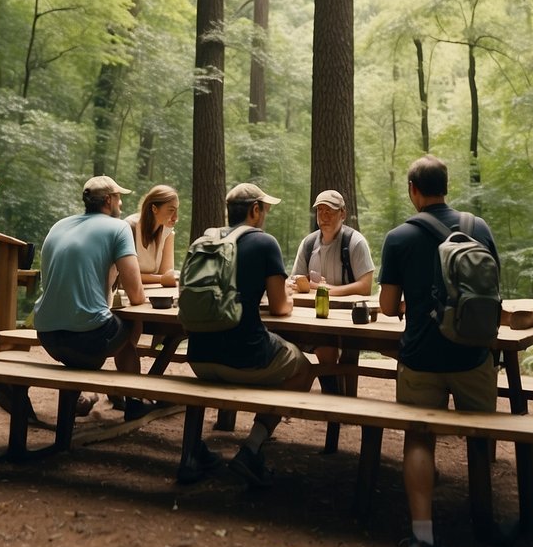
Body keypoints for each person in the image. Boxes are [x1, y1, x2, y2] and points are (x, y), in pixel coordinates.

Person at [378, 155, 498, 547]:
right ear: (446, 185)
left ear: (413, 189)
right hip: (473, 354)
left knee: (418, 439)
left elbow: (388, 307)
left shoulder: (399, 237)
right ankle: (484, 522)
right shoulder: (477, 227)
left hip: (420, 357)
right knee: (480, 437)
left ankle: (423, 536)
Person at [185, 183, 317, 488]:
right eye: (265, 209)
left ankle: (191, 455)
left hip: (199, 357)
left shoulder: (205, 240)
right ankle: (251, 448)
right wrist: (290, 296)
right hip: (245, 357)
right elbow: (281, 307)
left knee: (214, 368)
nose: (265, 215)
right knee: (305, 368)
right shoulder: (265, 243)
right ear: (254, 210)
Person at [31, 175, 153, 421]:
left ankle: (84, 397)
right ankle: (133, 400)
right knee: (132, 322)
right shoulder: (118, 227)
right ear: (108, 200)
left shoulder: (59, 225)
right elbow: (136, 295)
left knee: (96, 319)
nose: (121, 204)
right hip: (87, 341)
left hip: (47, 335)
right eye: (118, 198)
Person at [289, 189, 375, 391]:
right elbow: (294, 280)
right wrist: (296, 284)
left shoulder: (355, 242)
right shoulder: (308, 243)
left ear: (343, 214)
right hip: (314, 317)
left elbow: (366, 286)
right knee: (322, 348)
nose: (324, 216)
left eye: (330, 211)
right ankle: (334, 399)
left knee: (328, 348)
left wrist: (326, 290)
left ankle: (335, 401)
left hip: (348, 319)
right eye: (320, 211)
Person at [124, 184, 180, 286]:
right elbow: (126, 274)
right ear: (154, 209)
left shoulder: (167, 232)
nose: (176, 217)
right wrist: (162, 279)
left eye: (176, 210)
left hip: (154, 293)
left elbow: (167, 274)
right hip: (129, 293)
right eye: (171, 210)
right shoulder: (129, 228)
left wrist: (164, 278)